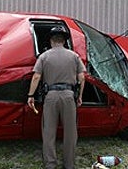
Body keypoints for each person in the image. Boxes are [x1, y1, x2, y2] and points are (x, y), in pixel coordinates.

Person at [27, 26, 86, 169]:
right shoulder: (74, 56)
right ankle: (69, 165)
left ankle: (50, 164)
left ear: (51, 40)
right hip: (68, 95)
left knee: (49, 132)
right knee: (71, 133)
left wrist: (30, 95)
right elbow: (82, 77)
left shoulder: (44, 56)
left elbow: (36, 77)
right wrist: (79, 96)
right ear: (65, 41)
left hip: (51, 96)